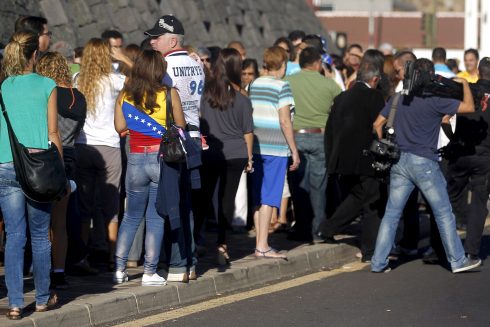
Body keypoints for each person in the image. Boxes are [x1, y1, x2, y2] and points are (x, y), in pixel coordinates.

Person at [370, 58, 481, 273]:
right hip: (425, 162)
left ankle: (378, 262)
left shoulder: (398, 98)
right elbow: (469, 106)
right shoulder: (435, 100)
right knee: (443, 213)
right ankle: (458, 260)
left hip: (399, 161)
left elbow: (377, 124)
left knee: (392, 214)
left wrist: (386, 142)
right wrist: (465, 84)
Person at [0, 31, 61, 320]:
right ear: (35, 55)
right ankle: (40, 298)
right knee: (40, 235)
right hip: (38, 165)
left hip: (5, 164)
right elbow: (53, 132)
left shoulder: (3, 88)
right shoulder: (47, 85)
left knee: (14, 236)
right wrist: (60, 170)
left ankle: (13, 303)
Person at [113, 50, 185, 285]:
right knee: (155, 218)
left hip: (135, 157)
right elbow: (181, 126)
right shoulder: (168, 93)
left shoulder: (125, 94)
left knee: (131, 216)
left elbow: (119, 126)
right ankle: (150, 272)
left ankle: (119, 269)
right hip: (160, 160)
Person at [146, 14, 203, 282]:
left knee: (172, 203)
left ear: (172, 39)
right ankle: (189, 262)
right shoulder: (196, 63)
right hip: (193, 136)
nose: (153, 42)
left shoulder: (166, 65)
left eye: (156, 37)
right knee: (186, 203)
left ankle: (178, 264)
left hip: (172, 139)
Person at [320, 62, 386, 261]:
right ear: (374, 79)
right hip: (367, 158)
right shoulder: (374, 97)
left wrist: (331, 159)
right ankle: (369, 251)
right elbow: (380, 125)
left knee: (357, 197)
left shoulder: (341, 97)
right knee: (372, 204)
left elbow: (330, 130)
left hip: (342, 159)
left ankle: (327, 228)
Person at [194, 48, 254, 265]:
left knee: (202, 199)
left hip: (210, 152)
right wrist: (249, 158)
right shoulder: (243, 99)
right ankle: (222, 245)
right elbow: (248, 132)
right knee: (226, 201)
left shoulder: (205, 95)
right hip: (236, 154)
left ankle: (192, 243)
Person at [74, 38, 128, 270]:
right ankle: (113, 256)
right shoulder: (115, 80)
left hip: (83, 145)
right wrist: (124, 57)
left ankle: (83, 256)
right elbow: (144, 77)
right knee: (111, 204)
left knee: (85, 205)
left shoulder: (78, 79)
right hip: (109, 146)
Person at [35, 52, 87, 289]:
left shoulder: (46, 94)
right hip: (69, 156)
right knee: (60, 221)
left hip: (45, 156)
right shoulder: (80, 98)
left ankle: (40, 269)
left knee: (40, 220)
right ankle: (59, 272)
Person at [285, 46, 341, 243]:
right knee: (319, 187)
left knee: (299, 187)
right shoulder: (329, 84)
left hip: (295, 138)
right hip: (320, 137)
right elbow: (340, 107)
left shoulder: (288, 82)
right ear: (318, 63)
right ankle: (318, 230)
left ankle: (302, 228)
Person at [249, 46, 299, 259]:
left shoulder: (253, 84)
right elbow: (284, 120)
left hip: (256, 144)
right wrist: (294, 151)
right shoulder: (283, 86)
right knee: (270, 195)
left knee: (258, 196)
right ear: (283, 64)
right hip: (276, 147)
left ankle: (259, 242)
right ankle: (263, 245)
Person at [446, 57, 490, 263]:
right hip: (485, 156)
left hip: (460, 153)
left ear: (479, 72)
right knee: (479, 203)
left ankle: (442, 246)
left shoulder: (465, 89)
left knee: (449, 200)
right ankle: (471, 250)